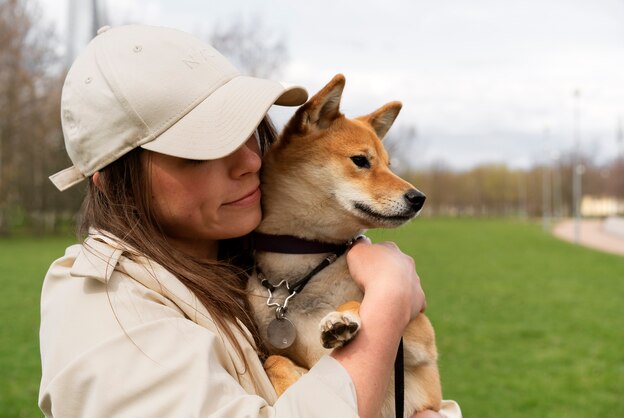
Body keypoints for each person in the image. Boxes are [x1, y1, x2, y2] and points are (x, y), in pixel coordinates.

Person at [39, 24, 461, 418]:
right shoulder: (106, 314)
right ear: (113, 182)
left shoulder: (250, 263)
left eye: (246, 130)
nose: (249, 161)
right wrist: (387, 302)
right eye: (199, 150)